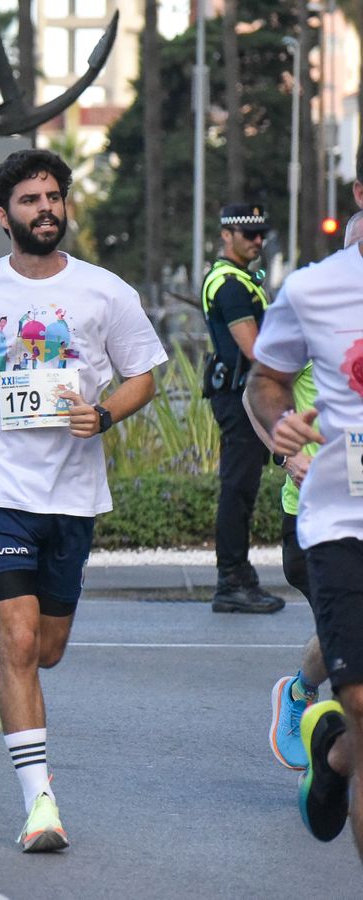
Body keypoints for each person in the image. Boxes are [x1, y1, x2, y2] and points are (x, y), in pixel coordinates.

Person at [0, 149, 166, 852]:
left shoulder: (105, 292)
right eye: (29, 200)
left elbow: (143, 373)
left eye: (53, 196)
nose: (45, 208)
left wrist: (107, 414)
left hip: (72, 492)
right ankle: (40, 804)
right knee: (26, 639)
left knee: (43, 650)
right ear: (3, 216)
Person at [245, 166, 363, 858]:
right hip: (344, 522)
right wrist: (283, 422)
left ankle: (334, 759)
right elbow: (267, 380)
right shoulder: (315, 287)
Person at [201, 204, 283, 614]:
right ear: (226, 235)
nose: (257, 241)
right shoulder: (230, 284)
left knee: (242, 487)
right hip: (239, 397)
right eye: (248, 234)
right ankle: (231, 579)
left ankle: (238, 575)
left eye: (261, 234)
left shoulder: (241, 279)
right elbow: (255, 350)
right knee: (237, 488)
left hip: (239, 393)